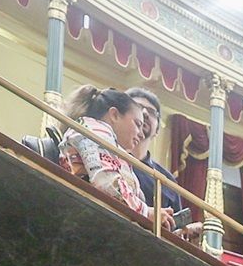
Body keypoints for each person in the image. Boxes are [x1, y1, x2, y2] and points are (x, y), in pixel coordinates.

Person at [58, 85, 179, 231]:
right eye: (137, 124)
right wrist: (146, 212)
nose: (140, 133)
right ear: (114, 115)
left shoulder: (112, 147)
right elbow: (106, 182)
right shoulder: (95, 132)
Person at [123, 88, 185, 214]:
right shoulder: (107, 155)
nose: (145, 113)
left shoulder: (167, 181)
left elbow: (172, 227)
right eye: (138, 107)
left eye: (151, 112)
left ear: (157, 130)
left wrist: (185, 231)